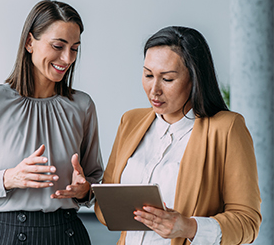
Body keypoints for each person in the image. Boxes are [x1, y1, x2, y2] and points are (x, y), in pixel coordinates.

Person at [0, 0, 103, 245]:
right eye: (58, 46)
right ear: (30, 42)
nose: (67, 58)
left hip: (69, 233)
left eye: (75, 48)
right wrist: (7, 178)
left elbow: (96, 178)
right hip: (9, 234)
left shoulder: (82, 106)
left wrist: (86, 190)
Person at [95, 26, 261, 244]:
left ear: (194, 79)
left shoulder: (227, 129)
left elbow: (247, 222)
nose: (154, 90)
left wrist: (188, 227)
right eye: (148, 75)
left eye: (168, 79)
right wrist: (85, 192)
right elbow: (105, 210)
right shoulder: (130, 121)